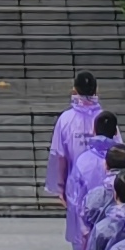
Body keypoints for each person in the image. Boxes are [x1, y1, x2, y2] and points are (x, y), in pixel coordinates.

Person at [63, 113, 124, 250]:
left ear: (94, 130)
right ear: (116, 131)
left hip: (90, 227)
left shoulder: (83, 161)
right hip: (123, 230)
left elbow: (74, 197)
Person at [45, 72, 103, 209]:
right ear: (96, 91)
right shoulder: (105, 118)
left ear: (74, 90)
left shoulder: (65, 119)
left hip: (75, 187)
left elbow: (59, 156)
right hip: (103, 187)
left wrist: (60, 187)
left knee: (78, 228)